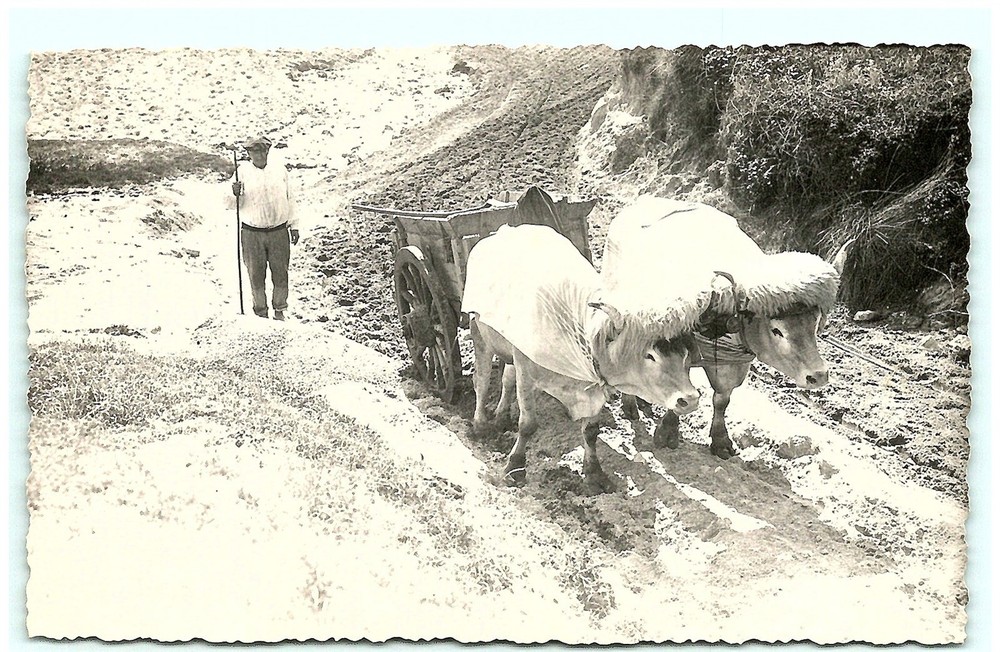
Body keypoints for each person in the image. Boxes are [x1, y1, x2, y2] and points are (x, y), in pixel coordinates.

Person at [225, 135, 300, 320]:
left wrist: (294, 225)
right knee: (255, 274)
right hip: (252, 233)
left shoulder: (280, 171)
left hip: (279, 231)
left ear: (268, 151)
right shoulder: (241, 173)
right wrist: (233, 193)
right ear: (249, 154)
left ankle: (280, 310)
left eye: (263, 150)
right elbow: (229, 204)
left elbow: (291, 198)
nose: (260, 155)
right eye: (255, 151)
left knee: (280, 273)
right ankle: (260, 312)